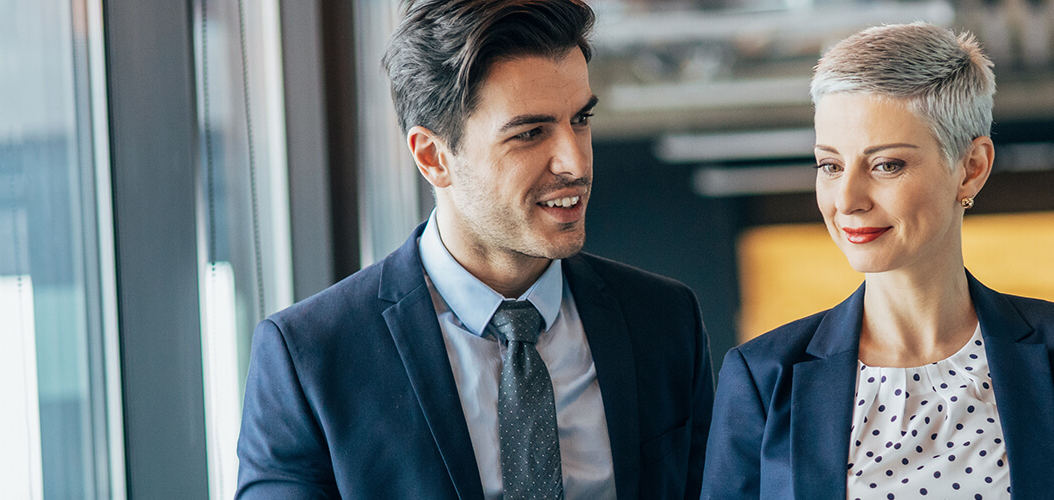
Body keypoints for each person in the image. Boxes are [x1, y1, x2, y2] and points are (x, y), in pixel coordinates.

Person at [234, 1, 714, 498]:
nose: (574, 161)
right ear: (433, 157)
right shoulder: (311, 357)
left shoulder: (663, 321)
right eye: (530, 133)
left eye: (581, 119)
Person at [700, 23, 1054, 499]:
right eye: (830, 166)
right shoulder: (764, 376)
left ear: (971, 168)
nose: (848, 199)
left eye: (886, 165)